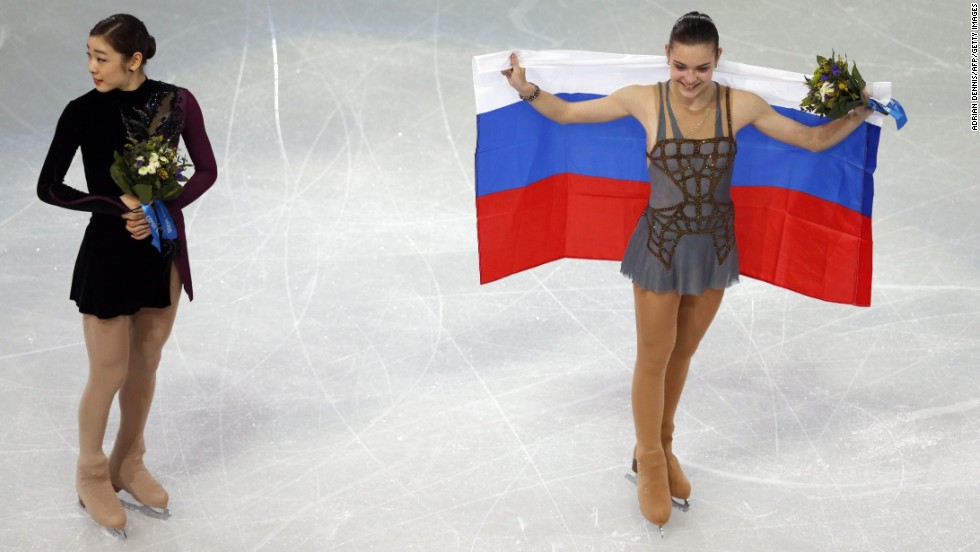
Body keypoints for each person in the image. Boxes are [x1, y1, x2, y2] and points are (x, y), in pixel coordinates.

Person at [502, 12, 872, 534]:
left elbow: (809, 141)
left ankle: (662, 442)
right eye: (680, 66)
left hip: (715, 249)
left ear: (718, 59)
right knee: (654, 355)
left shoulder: (740, 105)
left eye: (700, 67)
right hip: (661, 246)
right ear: (667, 56)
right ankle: (650, 459)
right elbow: (567, 115)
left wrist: (856, 115)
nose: (690, 78)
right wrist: (526, 89)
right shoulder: (643, 99)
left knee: (684, 351)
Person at [37, 14, 217, 537]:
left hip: (161, 250)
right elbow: (50, 186)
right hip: (110, 254)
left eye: (102, 56)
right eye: (88, 54)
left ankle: (128, 461)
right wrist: (117, 207)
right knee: (108, 372)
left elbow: (205, 169)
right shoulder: (80, 112)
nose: (91, 66)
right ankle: (91, 471)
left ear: (134, 60)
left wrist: (160, 204)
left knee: (145, 366)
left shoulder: (176, 102)